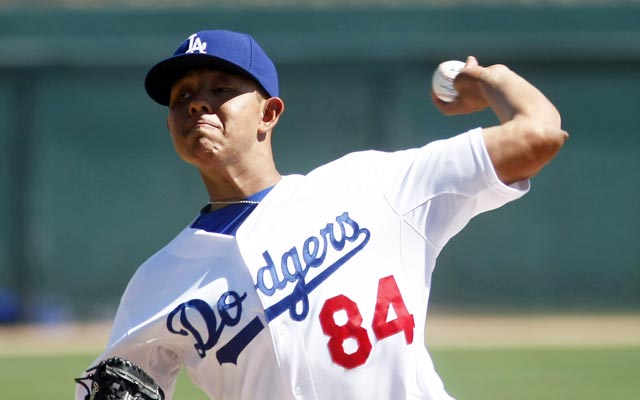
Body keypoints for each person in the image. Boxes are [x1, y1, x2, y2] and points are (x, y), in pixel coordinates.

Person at [76, 29, 567, 400]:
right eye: (181, 97)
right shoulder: (158, 282)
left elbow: (539, 135)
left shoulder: (373, 186)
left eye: (221, 88)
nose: (197, 103)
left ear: (269, 113)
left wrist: (489, 80)